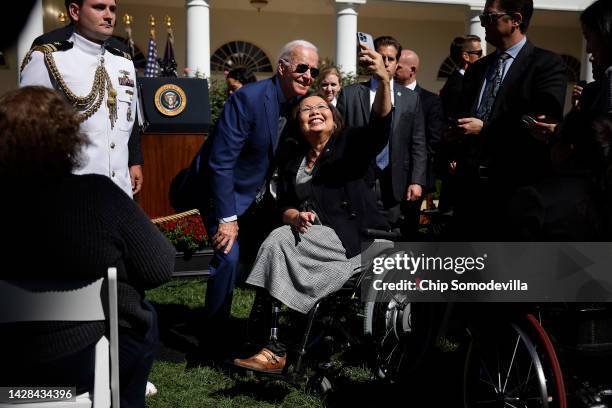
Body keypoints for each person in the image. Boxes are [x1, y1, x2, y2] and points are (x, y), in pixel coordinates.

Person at [0, 86, 175, 408]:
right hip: (78, 363)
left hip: (8, 365)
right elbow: (160, 267)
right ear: (68, 138)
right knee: (137, 311)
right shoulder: (97, 195)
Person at [233, 43, 392, 373]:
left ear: (335, 121)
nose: (315, 111)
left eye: (322, 107)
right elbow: (283, 202)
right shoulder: (293, 160)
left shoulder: (350, 145)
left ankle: (272, 340)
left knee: (279, 241)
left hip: (355, 238)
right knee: (279, 234)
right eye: (306, 110)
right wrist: (291, 214)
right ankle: (274, 344)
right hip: (314, 235)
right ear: (299, 124)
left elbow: (379, 128)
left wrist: (384, 81)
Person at [189, 40, 319, 355]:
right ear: (283, 66)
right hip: (224, 193)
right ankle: (214, 338)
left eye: (313, 70)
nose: (308, 75)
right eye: (302, 67)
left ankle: (260, 332)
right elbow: (220, 163)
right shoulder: (248, 99)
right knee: (228, 258)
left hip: (264, 200)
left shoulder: (299, 105)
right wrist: (228, 219)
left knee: (276, 252)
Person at [450, 0, 567, 240]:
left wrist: (485, 130)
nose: (482, 24)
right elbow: (460, 114)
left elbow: (537, 122)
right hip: (469, 192)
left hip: (513, 190)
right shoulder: (477, 69)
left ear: (516, 19)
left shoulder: (546, 65)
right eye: (482, 17)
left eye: (489, 17)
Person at [20, 0, 143, 198]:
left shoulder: (123, 58)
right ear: (75, 12)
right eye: (99, 7)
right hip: (72, 192)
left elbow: (129, 117)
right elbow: (27, 127)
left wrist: (135, 160)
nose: (108, 15)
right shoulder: (49, 55)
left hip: (120, 190)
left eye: (112, 9)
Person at [336, 36, 426, 236]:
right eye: (381, 57)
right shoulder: (350, 94)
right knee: (358, 235)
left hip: (395, 183)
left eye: (391, 59)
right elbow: (338, 139)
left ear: (397, 63)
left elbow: (418, 142)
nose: (385, 63)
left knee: (392, 236)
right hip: (357, 179)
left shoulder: (411, 99)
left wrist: (417, 180)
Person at [395, 49, 444, 232]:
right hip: (386, 177)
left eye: (398, 66)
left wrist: (417, 176)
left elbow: (433, 141)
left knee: (410, 228)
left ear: (412, 70)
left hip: (413, 178)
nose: (392, 69)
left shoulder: (430, 101)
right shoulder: (385, 96)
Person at [439, 35, 483, 118]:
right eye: (479, 53)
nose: (483, 56)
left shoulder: (476, 78)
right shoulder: (456, 85)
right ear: (466, 56)